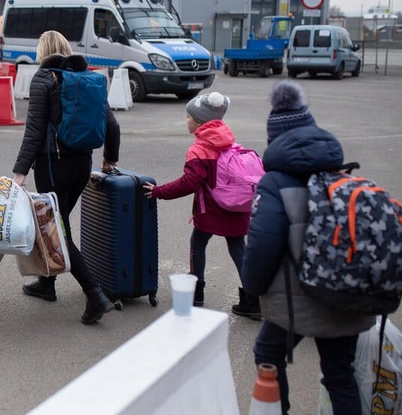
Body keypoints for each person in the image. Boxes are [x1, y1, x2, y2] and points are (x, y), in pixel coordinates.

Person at [242, 80, 371, 414]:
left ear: (274, 139)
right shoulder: (342, 174)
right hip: (349, 295)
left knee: (268, 356)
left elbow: (262, 244)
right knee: (340, 375)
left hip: (298, 300)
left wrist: (253, 288)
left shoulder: (274, 183)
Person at [12, 29, 117, 325]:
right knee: (58, 226)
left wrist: (19, 173)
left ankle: (94, 293)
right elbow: (112, 124)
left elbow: (33, 132)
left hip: (52, 166)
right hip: (82, 165)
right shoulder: (88, 79)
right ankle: (47, 284)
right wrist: (110, 157)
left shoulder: (44, 79)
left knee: (56, 232)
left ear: (42, 52)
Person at [142, 92, 260, 318]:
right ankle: (253, 300)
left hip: (212, 210)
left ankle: (196, 292)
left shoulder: (199, 149)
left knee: (198, 242)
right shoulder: (229, 141)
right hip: (237, 207)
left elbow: (190, 183)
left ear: (199, 120)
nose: (186, 120)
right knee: (238, 248)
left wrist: (159, 192)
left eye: (188, 117)